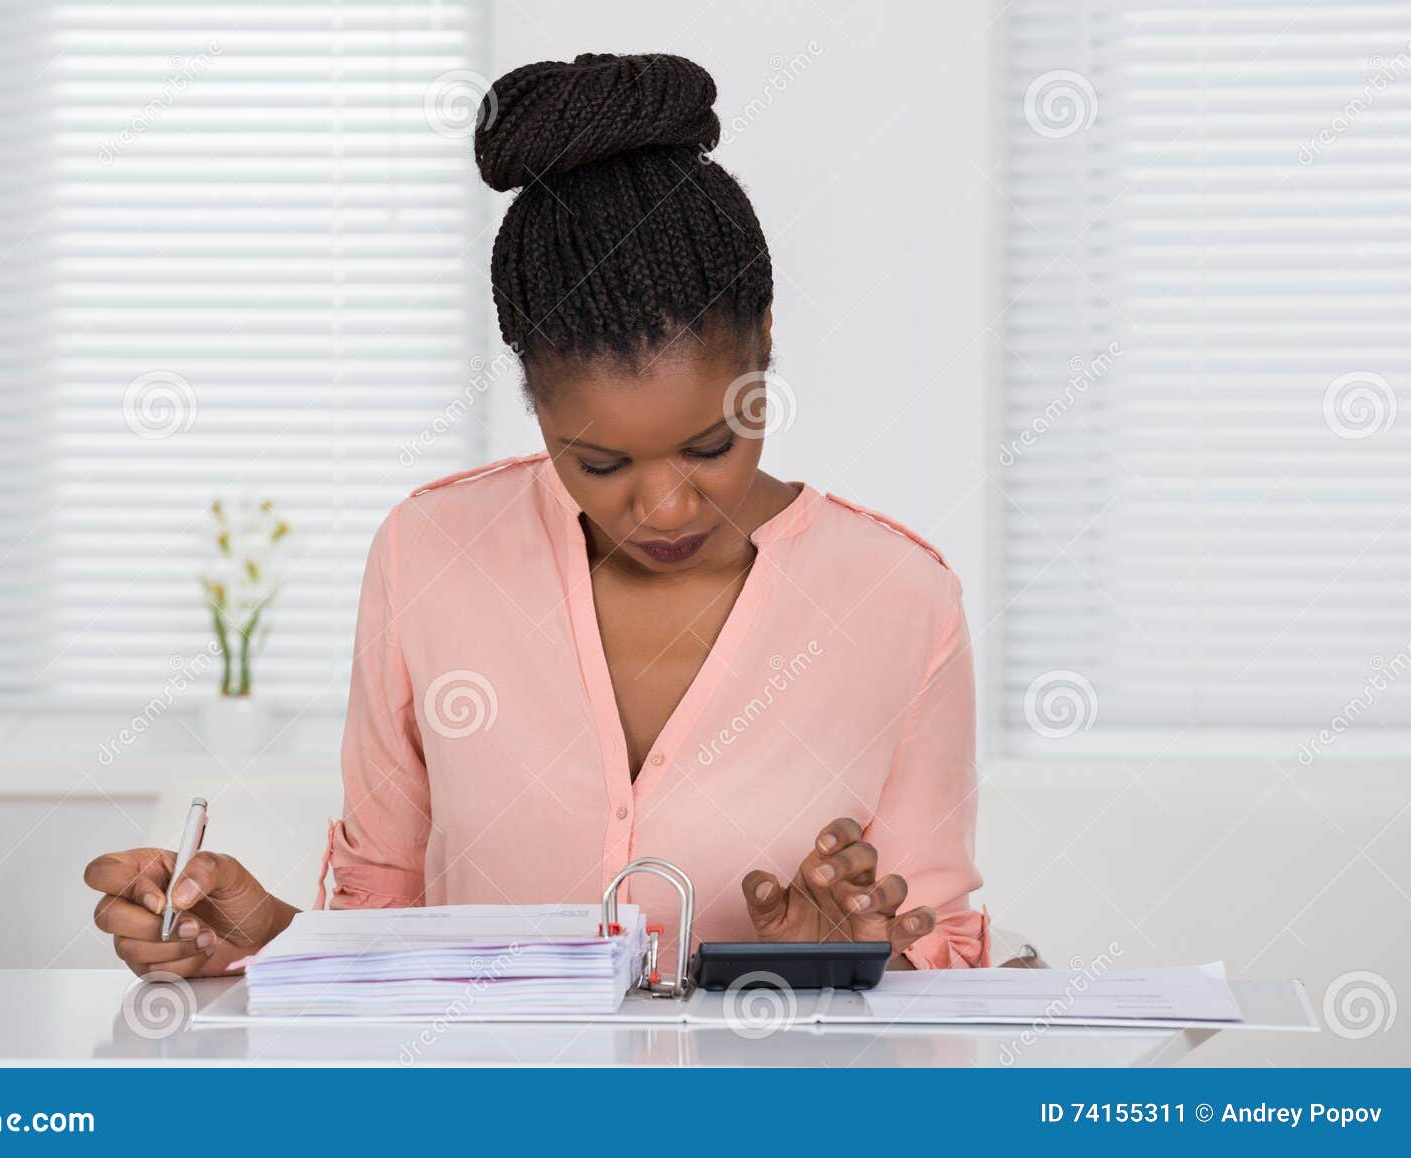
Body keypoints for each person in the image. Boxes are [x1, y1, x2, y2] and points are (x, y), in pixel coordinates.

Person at [85, 51, 989, 980]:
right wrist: (262, 939)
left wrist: (850, 965)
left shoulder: (899, 600)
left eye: (711, 448)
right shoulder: (429, 553)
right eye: (598, 463)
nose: (667, 506)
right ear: (529, 393)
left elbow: (946, 954)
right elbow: (381, 906)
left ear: (765, 338)